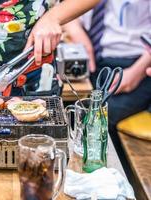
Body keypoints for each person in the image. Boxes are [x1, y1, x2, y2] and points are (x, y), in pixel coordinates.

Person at [64, 0, 151, 168]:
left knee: (101, 117)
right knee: (70, 110)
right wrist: (79, 35)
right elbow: (65, 13)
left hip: (134, 63)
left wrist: (136, 71)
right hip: (92, 59)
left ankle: (109, 177)